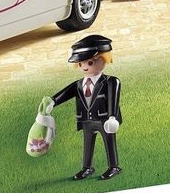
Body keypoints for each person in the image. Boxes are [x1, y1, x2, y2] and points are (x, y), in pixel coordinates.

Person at [49, 33, 122, 180]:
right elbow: (66, 93)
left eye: (89, 62)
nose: (85, 67)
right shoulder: (78, 84)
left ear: (104, 60)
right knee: (87, 144)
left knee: (109, 141)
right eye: (81, 64)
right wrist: (52, 101)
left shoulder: (111, 82)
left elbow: (113, 99)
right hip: (86, 120)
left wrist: (112, 117)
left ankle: (114, 166)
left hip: (104, 120)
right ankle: (87, 168)